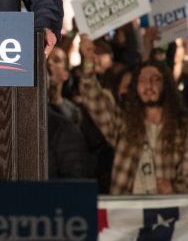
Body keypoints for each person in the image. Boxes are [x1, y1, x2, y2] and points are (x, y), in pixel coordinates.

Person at [79, 35, 188, 195]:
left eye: (155, 79)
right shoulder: (124, 124)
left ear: (166, 86)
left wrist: (174, 189)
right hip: (127, 214)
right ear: (135, 88)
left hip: (167, 212)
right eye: (142, 81)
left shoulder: (183, 128)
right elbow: (93, 97)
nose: (148, 86)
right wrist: (88, 61)